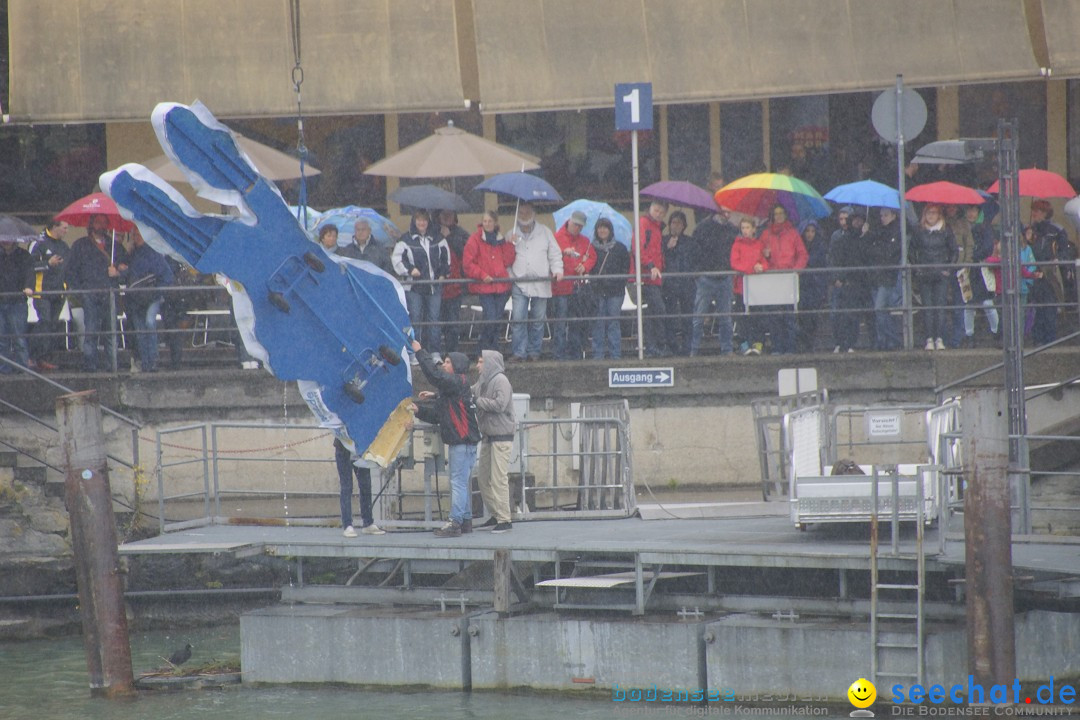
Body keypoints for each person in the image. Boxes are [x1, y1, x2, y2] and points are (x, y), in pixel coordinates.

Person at [409, 339, 480, 538]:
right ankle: (465, 521)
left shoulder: (458, 381)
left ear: (456, 366)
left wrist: (420, 352)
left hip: (462, 441)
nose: (444, 365)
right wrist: (419, 410)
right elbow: (438, 415)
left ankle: (455, 522)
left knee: (457, 482)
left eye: (448, 362)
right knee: (462, 481)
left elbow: (435, 375)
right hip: (465, 442)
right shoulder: (453, 388)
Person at [65, 214, 129, 372]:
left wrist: (118, 273)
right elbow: (70, 271)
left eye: (104, 221)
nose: (101, 224)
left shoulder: (116, 247)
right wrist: (80, 291)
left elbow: (127, 269)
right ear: (91, 223)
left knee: (111, 331)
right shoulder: (80, 246)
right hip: (90, 293)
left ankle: (111, 366)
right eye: (98, 221)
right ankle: (90, 366)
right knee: (91, 331)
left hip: (109, 292)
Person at [507, 201, 563, 362]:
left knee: (538, 320)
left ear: (533, 214)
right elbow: (505, 258)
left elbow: (555, 254)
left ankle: (534, 352)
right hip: (519, 282)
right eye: (521, 212)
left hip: (541, 282)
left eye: (527, 212)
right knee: (518, 318)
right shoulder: (511, 233)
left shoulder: (545, 232)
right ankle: (519, 352)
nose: (524, 216)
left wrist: (558, 270)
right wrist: (511, 275)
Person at [393, 210, 449, 361]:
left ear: (428, 222)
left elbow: (446, 258)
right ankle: (414, 353)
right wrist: (410, 270)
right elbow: (397, 260)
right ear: (414, 221)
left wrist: (443, 274)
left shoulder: (438, 238)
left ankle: (434, 352)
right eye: (418, 220)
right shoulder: (405, 240)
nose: (421, 223)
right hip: (413, 287)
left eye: (424, 220)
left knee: (434, 319)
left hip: (433, 286)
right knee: (415, 318)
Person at [471, 349, 515, 533]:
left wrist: (477, 401)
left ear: (490, 363)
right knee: (483, 479)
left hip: (501, 438)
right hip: (488, 437)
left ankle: (505, 519)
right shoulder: (482, 382)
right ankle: (496, 514)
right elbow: (466, 391)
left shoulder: (501, 381)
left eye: (481, 362)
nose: (477, 366)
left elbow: (500, 404)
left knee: (498, 479)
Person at [758, 204, 808, 354]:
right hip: (772, 279)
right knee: (774, 317)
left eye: (781, 213)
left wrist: (796, 271)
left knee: (789, 316)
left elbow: (803, 255)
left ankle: (790, 348)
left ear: (785, 215)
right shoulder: (765, 235)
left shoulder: (793, 234)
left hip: (788, 278)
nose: (778, 216)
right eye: (776, 214)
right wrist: (765, 256)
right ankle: (777, 347)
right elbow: (757, 255)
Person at [123, 229, 174, 373]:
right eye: (134, 234)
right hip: (137, 299)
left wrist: (157, 291)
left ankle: (152, 360)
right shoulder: (131, 255)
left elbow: (166, 276)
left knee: (149, 323)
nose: (136, 237)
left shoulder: (153, 253)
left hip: (151, 297)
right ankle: (147, 362)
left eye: (139, 234)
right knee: (140, 330)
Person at [463, 210, 515, 352]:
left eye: (490, 221)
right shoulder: (474, 240)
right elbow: (468, 263)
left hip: (501, 286)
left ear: (495, 223)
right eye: (485, 221)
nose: (487, 224)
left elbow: (507, 261)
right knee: (491, 318)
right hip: (485, 286)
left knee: (497, 320)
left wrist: (511, 245)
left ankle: (492, 349)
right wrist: (482, 275)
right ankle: (485, 347)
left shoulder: (501, 240)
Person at [689, 207, 737, 356]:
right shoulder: (702, 228)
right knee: (699, 318)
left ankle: (727, 349)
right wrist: (698, 272)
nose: (727, 215)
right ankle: (694, 350)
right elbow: (694, 250)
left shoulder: (733, 229)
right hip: (706, 278)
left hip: (725, 277)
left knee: (725, 318)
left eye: (729, 212)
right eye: (724, 212)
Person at [911, 204, 957, 350]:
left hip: (941, 274)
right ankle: (929, 338)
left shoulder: (946, 230)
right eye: (928, 213)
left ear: (939, 215)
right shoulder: (919, 231)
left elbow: (954, 251)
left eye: (934, 213)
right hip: (925, 274)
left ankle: (939, 338)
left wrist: (947, 269)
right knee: (928, 308)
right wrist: (918, 268)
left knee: (940, 307)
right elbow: (911, 251)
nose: (931, 216)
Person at [551, 210, 596, 360]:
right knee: (561, 323)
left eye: (580, 226)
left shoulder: (585, 241)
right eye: (575, 224)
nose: (577, 228)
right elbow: (550, 257)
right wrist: (564, 253)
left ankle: (575, 354)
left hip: (578, 289)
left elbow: (592, 257)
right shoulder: (556, 238)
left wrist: (585, 266)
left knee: (576, 323)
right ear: (569, 221)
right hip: (561, 288)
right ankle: (559, 355)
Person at [27, 219, 69, 371]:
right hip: (42, 291)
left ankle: (43, 358)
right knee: (44, 322)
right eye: (64, 227)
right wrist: (47, 264)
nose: (66, 231)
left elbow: (68, 268)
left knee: (52, 325)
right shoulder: (39, 242)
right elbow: (29, 266)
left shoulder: (64, 246)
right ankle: (31, 355)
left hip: (59, 292)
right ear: (54, 226)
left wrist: (67, 286)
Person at [629, 199, 669, 356]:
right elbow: (638, 248)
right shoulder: (644, 223)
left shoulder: (657, 228)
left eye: (661, 211)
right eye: (655, 210)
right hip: (645, 277)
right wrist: (651, 265)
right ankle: (654, 347)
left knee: (654, 311)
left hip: (653, 276)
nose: (657, 213)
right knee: (656, 311)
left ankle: (654, 346)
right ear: (650, 208)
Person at [589, 218, 630, 360]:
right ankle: (598, 355)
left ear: (610, 230)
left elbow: (625, 268)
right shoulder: (591, 248)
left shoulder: (620, 248)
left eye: (605, 227)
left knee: (613, 322)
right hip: (597, 291)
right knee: (598, 323)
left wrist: (617, 282)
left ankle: (615, 355)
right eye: (600, 228)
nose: (602, 230)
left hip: (615, 291)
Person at [1029, 199, 1066, 346]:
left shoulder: (1057, 230)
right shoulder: (1031, 230)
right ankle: (1037, 338)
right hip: (1035, 272)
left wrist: (1059, 259)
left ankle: (1049, 338)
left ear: (1044, 213)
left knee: (1050, 305)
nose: (1033, 214)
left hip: (1050, 273)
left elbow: (1064, 250)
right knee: (1037, 306)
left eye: (1036, 211)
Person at [865, 208, 903, 351]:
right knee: (881, 311)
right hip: (876, 276)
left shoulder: (896, 232)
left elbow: (889, 254)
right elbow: (867, 251)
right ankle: (885, 341)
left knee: (880, 309)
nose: (883, 218)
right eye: (881, 215)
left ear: (893, 216)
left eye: (886, 215)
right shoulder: (877, 231)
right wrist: (867, 234)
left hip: (888, 277)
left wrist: (875, 249)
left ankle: (892, 339)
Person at [730, 217, 769, 355]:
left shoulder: (759, 244)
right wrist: (752, 268)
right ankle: (744, 344)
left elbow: (764, 261)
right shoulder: (737, 244)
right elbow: (735, 263)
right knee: (742, 318)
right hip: (741, 287)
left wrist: (761, 266)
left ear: (753, 229)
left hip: (756, 287)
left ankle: (758, 343)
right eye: (743, 228)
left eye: (747, 228)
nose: (745, 231)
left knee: (757, 317)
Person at [335, 437, 385, 537]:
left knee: (365, 485)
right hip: (344, 449)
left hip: (361, 450)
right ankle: (347, 524)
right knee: (346, 487)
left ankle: (368, 523)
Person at [436, 210, 470, 354]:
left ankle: (453, 353)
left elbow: (465, 253)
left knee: (453, 324)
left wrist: (449, 237)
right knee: (436, 323)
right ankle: (437, 353)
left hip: (455, 286)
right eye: (443, 214)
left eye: (449, 214)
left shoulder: (462, 234)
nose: (446, 217)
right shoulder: (433, 233)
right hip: (437, 286)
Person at [661, 210, 694, 356]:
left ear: (684, 226)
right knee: (670, 316)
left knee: (688, 316)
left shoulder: (689, 242)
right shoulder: (663, 240)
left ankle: (687, 347)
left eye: (679, 223)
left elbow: (695, 260)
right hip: (669, 284)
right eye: (673, 223)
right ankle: (672, 346)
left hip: (686, 283)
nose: (676, 226)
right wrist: (668, 249)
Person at [0, 235, 34, 372]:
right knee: (2, 338)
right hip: (2, 299)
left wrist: (28, 286)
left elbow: (29, 273)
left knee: (19, 337)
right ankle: (4, 368)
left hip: (17, 300)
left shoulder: (24, 255)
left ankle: (22, 367)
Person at [966, 205, 999, 344]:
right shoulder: (964, 227)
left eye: (974, 210)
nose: (971, 213)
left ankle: (996, 331)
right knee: (968, 303)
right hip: (968, 269)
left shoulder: (985, 228)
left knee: (987, 302)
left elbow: (987, 247)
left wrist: (974, 255)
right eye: (968, 210)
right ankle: (969, 335)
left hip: (982, 268)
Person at [797, 219, 828, 353]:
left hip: (814, 285)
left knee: (813, 317)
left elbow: (816, 262)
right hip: (802, 285)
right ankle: (804, 343)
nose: (810, 234)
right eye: (807, 231)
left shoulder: (820, 246)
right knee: (802, 316)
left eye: (812, 231)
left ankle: (810, 344)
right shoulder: (799, 245)